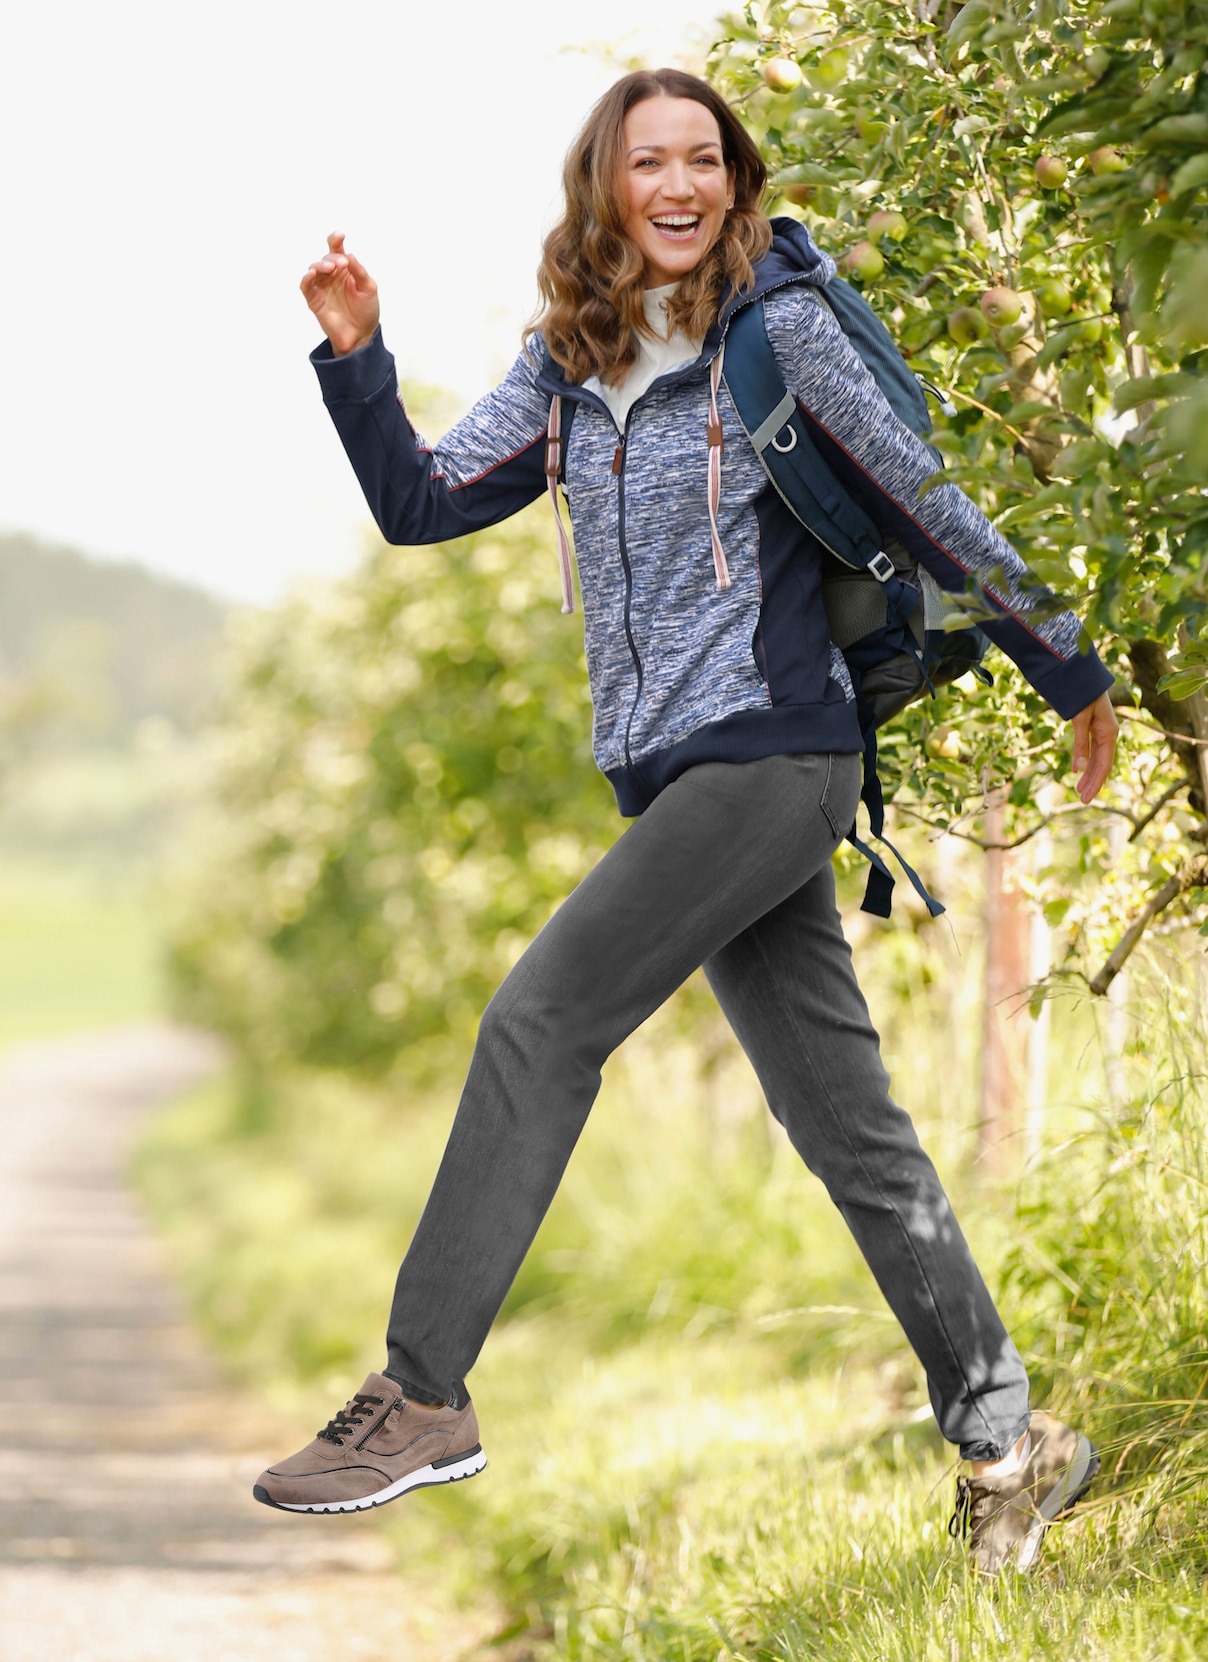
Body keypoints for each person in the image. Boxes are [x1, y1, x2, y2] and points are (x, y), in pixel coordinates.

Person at [255, 67, 1117, 1575]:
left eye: (701, 160)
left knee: (538, 1021)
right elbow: (427, 500)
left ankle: (422, 1391)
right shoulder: (571, 364)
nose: (676, 183)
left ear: (733, 183)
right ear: (603, 185)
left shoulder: (775, 336)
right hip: (680, 783)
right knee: (848, 1126)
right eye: (646, 160)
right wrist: (358, 358)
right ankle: (1007, 1438)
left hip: (776, 757)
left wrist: (1066, 657)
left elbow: (921, 496)